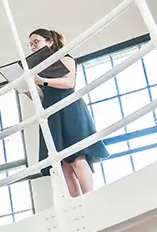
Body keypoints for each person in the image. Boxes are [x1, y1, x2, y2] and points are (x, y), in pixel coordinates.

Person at [27, 30, 110, 198]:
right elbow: (42, 95)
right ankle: (76, 201)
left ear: (49, 42)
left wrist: (41, 80)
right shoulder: (38, 69)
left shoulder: (65, 59)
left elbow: (68, 83)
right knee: (63, 163)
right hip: (52, 112)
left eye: (36, 42)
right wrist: (26, 88)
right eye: (30, 44)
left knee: (78, 157)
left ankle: (90, 197)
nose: (32, 47)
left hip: (69, 108)